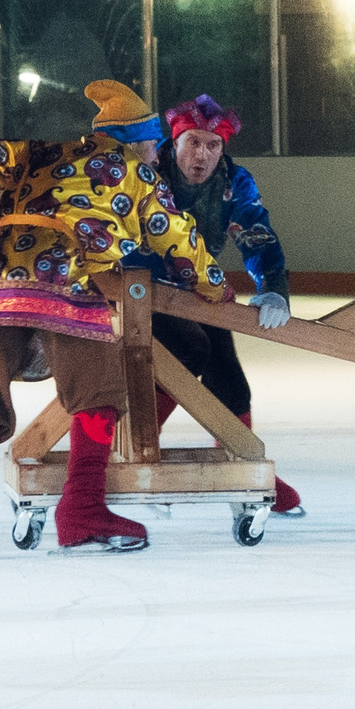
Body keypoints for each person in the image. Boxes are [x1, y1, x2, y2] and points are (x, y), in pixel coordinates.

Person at [0, 81, 232, 556]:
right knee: (97, 390)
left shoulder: (43, 153)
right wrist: (217, 289)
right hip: (68, 279)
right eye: (152, 146)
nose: (156, 157)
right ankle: (81, 510)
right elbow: (179, 242)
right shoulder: (138, 174)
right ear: (135, 142)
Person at [132, 93, 303, 515]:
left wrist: (273, 285)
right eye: (193, 142)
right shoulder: (147, 173)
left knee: (230, 376)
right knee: (188, 351)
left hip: (198, 291)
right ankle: (137, 458)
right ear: (175, 142)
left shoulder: (234, 181)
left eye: (213, 145)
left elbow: (255, 232)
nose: (202, 155)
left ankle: (243, 465)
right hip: (138, 291)